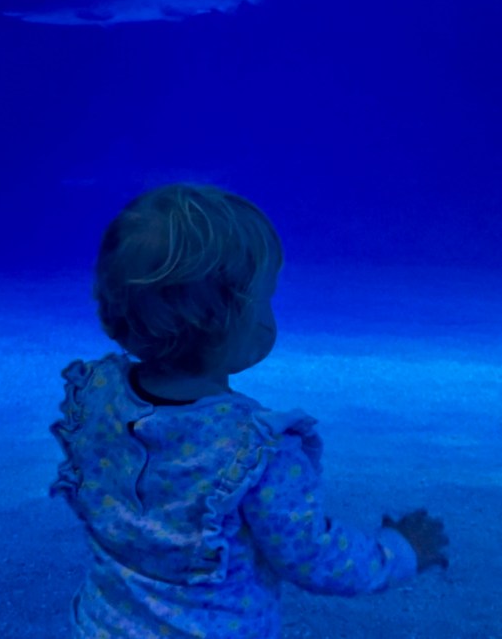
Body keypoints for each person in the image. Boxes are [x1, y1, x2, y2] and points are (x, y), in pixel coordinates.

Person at [49, 183, 449, 638]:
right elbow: (312, 557)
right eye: (266, 297)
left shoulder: (98, 396)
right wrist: (400, 552)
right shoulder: (256, 451)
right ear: (233, 320)